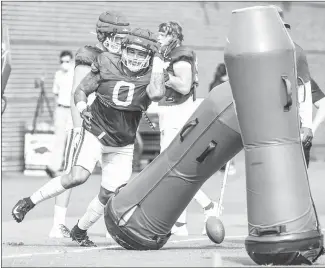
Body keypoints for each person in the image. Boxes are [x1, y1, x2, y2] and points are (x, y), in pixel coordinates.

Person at [12, 27, 167, 247]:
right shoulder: (106, 61)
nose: (135, 57)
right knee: (77, 176)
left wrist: (159, 62)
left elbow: (158, 93)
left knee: (109, 195)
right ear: (123, 49)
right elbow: (80, 90)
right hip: (96, 130)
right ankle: (28, 202)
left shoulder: (154, 73)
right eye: (131, 51)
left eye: (142, 54)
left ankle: (79, 230)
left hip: (123, 143)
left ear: (150, 57)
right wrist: (83, 106)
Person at [47, 11, 131, 239]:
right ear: (105, 35)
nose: (121, 41)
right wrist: (77, 127)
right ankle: (57, 224)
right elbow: (78, 91)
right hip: (86, 122)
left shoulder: (119, 56)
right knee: (72, 174)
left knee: (113, 179)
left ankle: (106, 224)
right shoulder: (89, 54)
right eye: (118, 36)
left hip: (109, 126)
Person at [157, 21, 220, 236]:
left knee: (171, 168)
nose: (158, 37)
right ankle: (180, 224)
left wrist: (164, 76)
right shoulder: (174, 55)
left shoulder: (180, 56)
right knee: (173, 169)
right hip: (173, 113)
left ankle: (208, 205)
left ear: (173, 36)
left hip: (177, 114)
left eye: (163, 34)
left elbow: (183, 86)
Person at [45, 50, 74, 180]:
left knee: (74, 139)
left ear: (71, 61)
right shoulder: (58, 75)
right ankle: (54, 167)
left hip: (72, 110)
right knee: (59, 140)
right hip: (61, 109)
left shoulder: (75, 74)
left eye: (67, 61)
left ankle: (72, 168)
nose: (64, 64)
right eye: (62, 62)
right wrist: (55, 111)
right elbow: (55, 94)